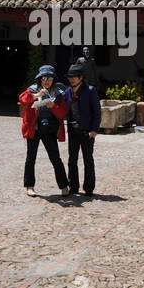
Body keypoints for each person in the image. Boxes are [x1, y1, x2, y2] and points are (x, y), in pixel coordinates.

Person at [20, 64, 70, 196]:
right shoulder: (32, 89)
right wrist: (36, 95)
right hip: (34, 129)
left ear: (53, 79)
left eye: (49, 78)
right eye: (44, 78)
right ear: (40, 79)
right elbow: (23, 100)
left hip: (50, 130)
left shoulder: (59, 93)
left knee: (55, 158)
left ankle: (64, 186)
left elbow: (63, 112)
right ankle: (29, 186)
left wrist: (53, 105)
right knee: (30, 158)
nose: (46, 80)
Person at [65, 62, 101, 196]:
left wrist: (94, 130)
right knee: (72, 160)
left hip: (87, 131)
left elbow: (97, 112)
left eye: (74, 76)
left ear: (80, 77)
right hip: (73, 131)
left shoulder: (90, 90)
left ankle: (89, 188)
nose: (71, 78)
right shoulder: (68, 91)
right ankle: (73, 187)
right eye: (69, 76)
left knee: (88, 160)